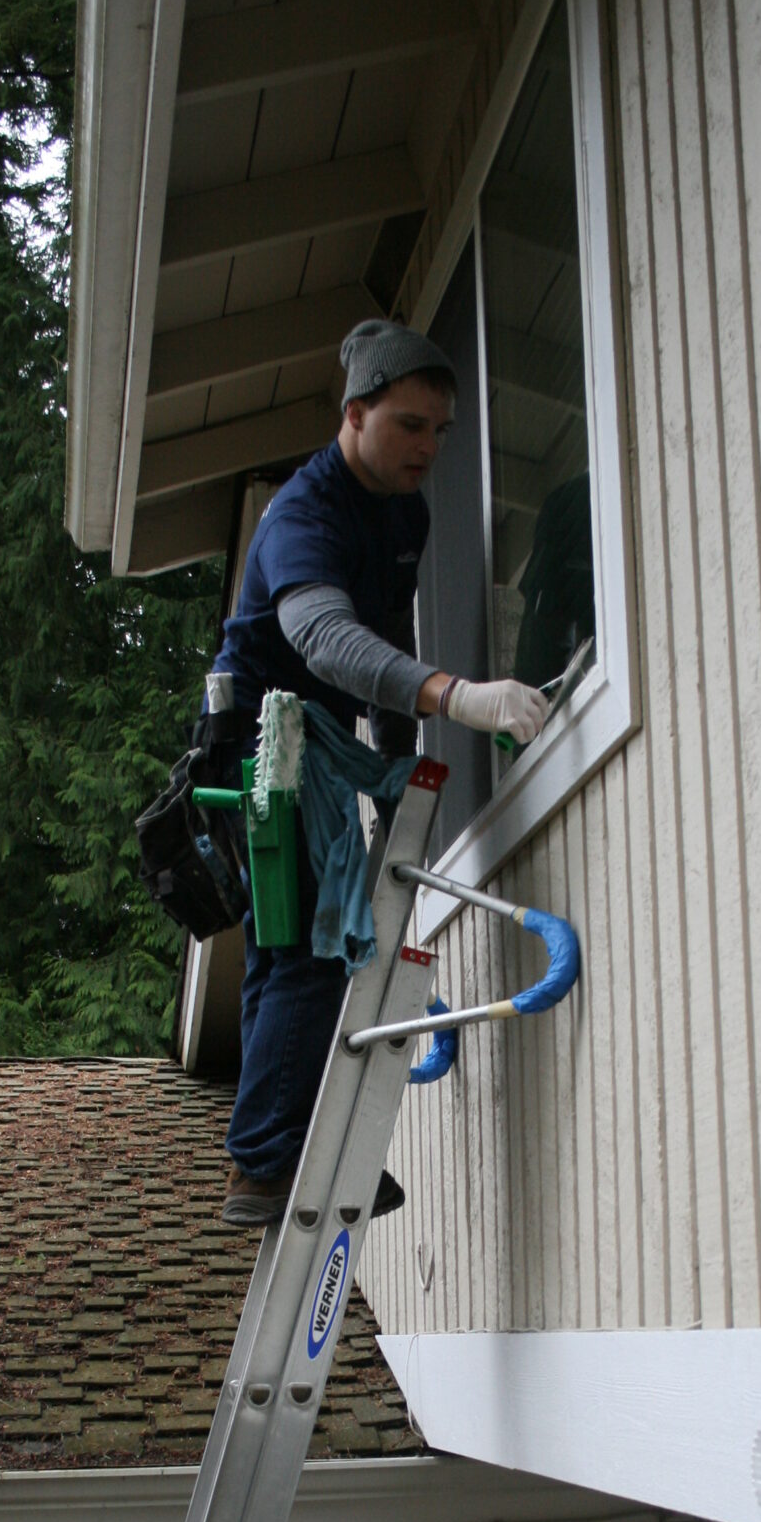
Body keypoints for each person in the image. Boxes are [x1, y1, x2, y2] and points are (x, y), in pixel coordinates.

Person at [212, 318, 550, 1226]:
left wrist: (400, 766)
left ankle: (290, 1151)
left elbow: (388, 637)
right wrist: (458, 698)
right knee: (307, 949)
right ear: (353, 413)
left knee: (306, 953)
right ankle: (269, 1163)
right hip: (266, 753)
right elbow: (325, 642)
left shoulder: (404, 510)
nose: (429, 448)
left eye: (441, 430)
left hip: (327, 752)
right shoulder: (302, 516)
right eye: (409, 425)